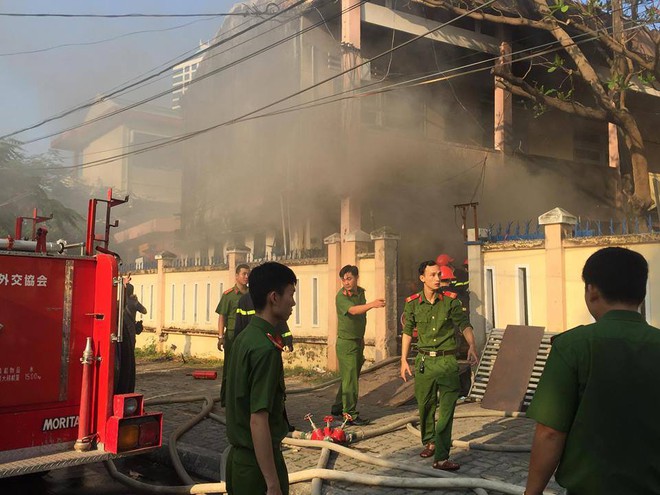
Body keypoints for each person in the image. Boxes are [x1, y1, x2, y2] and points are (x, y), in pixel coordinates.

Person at [524, 247, 660, 495]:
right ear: (642, 292)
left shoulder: (572, 346)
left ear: (592, 290)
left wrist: (532, 492)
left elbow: (550, 433)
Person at [225, 262, 297, 495]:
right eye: (291, 294)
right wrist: (272, 483)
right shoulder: (265, 349)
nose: (293, 302)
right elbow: (258, 420)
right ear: (274, 297)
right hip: (259, 469)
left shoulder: (245, 338)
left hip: (240, 465)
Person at [400, 261, 478, 471]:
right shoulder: (413, 303)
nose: (437, 278)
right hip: (425, 362)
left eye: (439, 275)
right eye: (433, 275)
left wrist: (472, 345)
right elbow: (408, 331)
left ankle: (442, 456)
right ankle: (430, 441)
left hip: (447, 362)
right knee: (425, 406)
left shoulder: (450, 302)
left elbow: (464, 325)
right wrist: (403, 360)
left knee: (446, 412)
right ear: (422, 278)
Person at [330, 265, 385, 426]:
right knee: (351, 380)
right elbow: (353, 310)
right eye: (343, 279)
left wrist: (361, 340)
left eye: (349, 278)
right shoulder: (341, 297)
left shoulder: (360, 292)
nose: (346, 282)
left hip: (357, 340)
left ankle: (338, 408)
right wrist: (372, 305)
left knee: (349, 378)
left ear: (356, 277)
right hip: (346, 343)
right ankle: (350, 414)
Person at [235, 291, 295, 432]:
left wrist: (288, 339)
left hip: (271, 345)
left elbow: (280, 322)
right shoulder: (245, 301)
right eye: (290, 294)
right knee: (261, 396)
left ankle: (282, 422)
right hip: (258, 349)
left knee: (276, 390)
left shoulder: (270, 302)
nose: (293, 302)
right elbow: (239, 325)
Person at [217, 263, 250, 406]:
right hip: (231, 336)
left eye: (248, 274)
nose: (246, 277)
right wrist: (220, 337)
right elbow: (222, 317)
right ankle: (226, 399)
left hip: (247, 335)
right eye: (244, 274)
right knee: (229, 368)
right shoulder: (228, 295)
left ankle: (243, 397)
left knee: (246, 368)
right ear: (236, 276)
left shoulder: (251, 295)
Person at [116, 282, 147, 394]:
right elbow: (144, 310)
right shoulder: (134, 302)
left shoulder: (118, 303)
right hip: (130, 331)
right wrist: (136, 301)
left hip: (120, 330)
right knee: (130, 355)